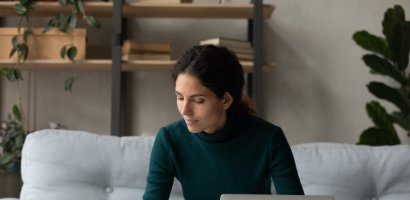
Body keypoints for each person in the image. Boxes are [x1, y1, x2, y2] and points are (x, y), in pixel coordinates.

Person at [143, 45, 304, 200]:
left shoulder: (269, 138)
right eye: (180, 97)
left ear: (226, 100)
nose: (185, 110)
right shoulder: (169, 139)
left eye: (198, 100)